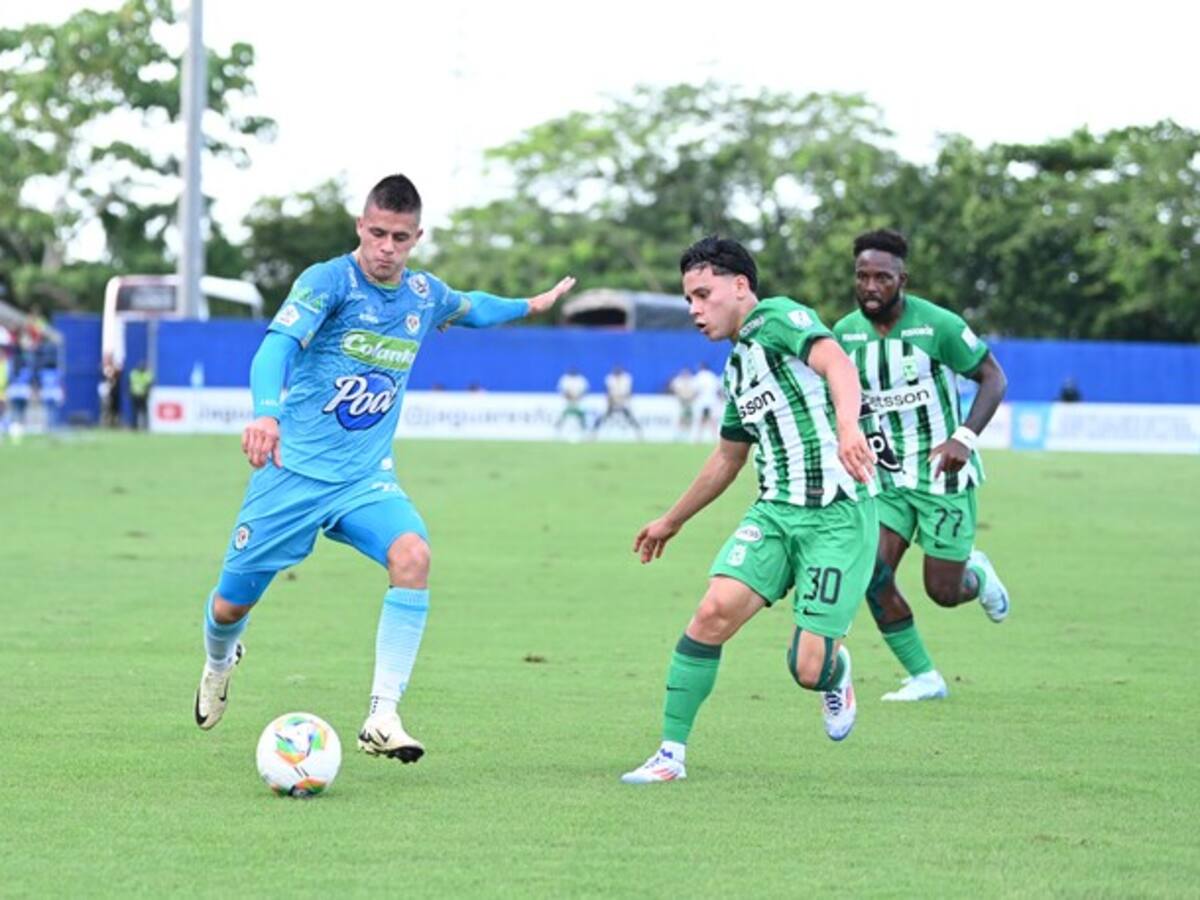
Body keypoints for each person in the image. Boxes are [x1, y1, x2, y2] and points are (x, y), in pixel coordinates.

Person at [193, 174, 576, 764]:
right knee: (229, 606)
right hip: (291, 472)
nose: (386, 247)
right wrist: (266, 416)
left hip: (364, 480)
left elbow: (473, 307)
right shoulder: (328, 281)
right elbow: (276, 349)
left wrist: (532, 304)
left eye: (400, 237)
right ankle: (220, 660)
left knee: (413, 555)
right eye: (377, 233)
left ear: (417, 236)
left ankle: (383, 714)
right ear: (360, 227)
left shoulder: (424, 295)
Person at [620, 236, 878, 785]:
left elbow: (836, 362)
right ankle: (670, 754)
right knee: (711, 613)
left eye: (702, 294)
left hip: (836, 515)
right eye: (688, 298)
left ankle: (835, 673)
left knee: (807, 669)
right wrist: (673, 518)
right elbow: (729, 457)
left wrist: (849, 428)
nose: (693, 309)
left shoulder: (779, 319)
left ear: (740, 287)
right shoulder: (738, 367)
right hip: (776, 515)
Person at [833, 228, 1010, 703]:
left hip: (942, 478)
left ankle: (976, 572)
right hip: (886, 480)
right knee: (872, 574)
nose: (871, 286)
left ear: (902, 279)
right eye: (862, 276)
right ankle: (925, 677)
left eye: (882, 278)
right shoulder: (844, 335)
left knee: (944, 593)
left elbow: (993, 378)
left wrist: (963, 437)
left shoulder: (938, 326)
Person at [592, 364, 642, 438]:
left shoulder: (627, 378)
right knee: (603, 417)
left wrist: (622, 400)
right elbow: (608, 392)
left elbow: (629, 392)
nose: (617, 373)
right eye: (616, 371)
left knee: (630, 417)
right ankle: (593, 433)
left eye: (619, 371)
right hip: (612, 402)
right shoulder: (609, 378)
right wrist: (612, 401)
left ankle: (639, 433)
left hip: (624, 402)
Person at [691, 360, 722, 442]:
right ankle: (715, 438)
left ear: (700, 367)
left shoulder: (698, 376)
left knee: (700, 420)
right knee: (713, 420)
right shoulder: (712, 376)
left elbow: (695, 390)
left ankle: (697, 438)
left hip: (702, 400)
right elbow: (718, 390)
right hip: (712, 400)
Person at [554, 367, 589, 437]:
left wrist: (577, 397)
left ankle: (584, 431)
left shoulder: (581, 379)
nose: (572, 372)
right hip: (567, 401)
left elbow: (584, 390)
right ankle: (557, 431)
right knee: (563, 414)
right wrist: (569, 397)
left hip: (578, 401)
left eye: (574, 371)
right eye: (571, 371)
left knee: (581, 415)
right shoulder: (565, 379)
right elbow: (562, 390)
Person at [667, 367, 697, 441]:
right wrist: (678, 394)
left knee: (689, 419)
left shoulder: (692, 381)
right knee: (681, 418)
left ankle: (687, 435)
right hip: (682, 403)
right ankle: (678, 435)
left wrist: (691, 397)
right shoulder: (678, 381)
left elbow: (695, 391)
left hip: (690, 403)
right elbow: (672, 387)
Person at [129, 360, 153, 430]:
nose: (141, 367)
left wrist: (147, 393)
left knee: (144, 412)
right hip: (135, 396)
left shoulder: (147, 374)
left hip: (143, 396)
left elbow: (149, 385)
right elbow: (129, 384)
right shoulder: (134, 373)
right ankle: (134, 427)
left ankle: (145, 427)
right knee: (135, 412)